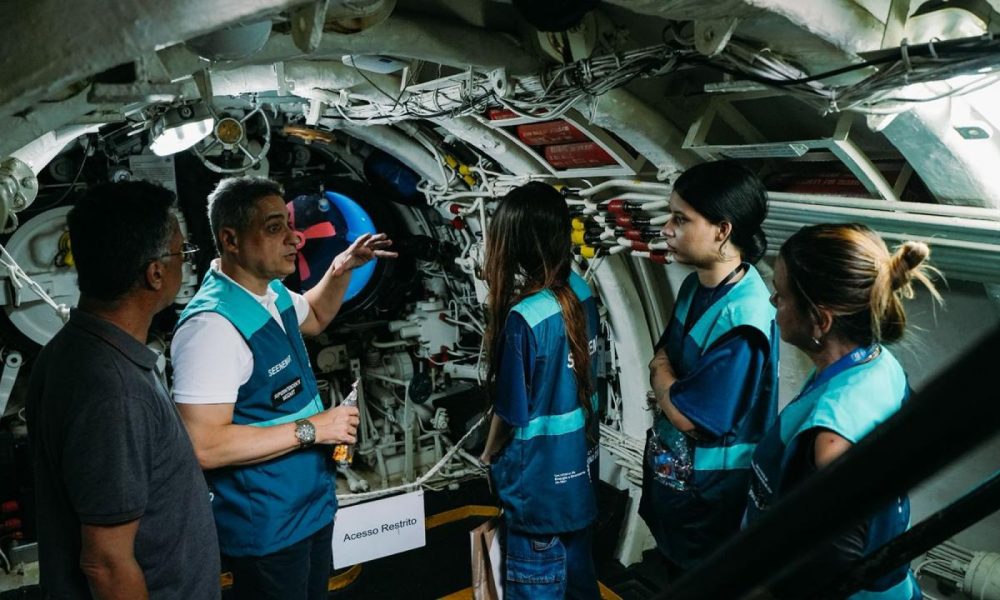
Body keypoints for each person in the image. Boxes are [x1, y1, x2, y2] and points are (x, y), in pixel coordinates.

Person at [171, 176, 395, 600]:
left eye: (289, 225)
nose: (295, 238)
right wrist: (316, 428)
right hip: (269, 528)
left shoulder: (269, 293)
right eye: (275, 228)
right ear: (231, 239)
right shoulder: (212, 328)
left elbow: (314, 315)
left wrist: (340, 269)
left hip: (309, 508)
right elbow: (203, 446)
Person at [26, 181, 220, 599]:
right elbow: (106, 563)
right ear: (154, 273)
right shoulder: (113, 392)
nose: (184, 264)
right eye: (181, 254)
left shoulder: (74, 349)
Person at [745, 223, 940, 598]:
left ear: (820, 320)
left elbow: (828, 565)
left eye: (781, 296)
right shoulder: (879, 366)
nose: (773, 303)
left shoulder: (831, 439)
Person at [639, 160, 780, 574]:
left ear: (723, 230)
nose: (667, 229)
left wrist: (664, 382)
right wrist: (667, 384)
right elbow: (660, 364)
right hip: (677, 493)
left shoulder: (743, 318)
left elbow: (689, 416)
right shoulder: (692, 286)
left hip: (709, 507)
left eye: (681, 220)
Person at [479, 182, 601, 600]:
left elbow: (511, 414)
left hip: (537, 495)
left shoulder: (524, 317)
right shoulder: (583, 295)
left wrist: (488, 454)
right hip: (579, 481)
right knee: (581, 586)